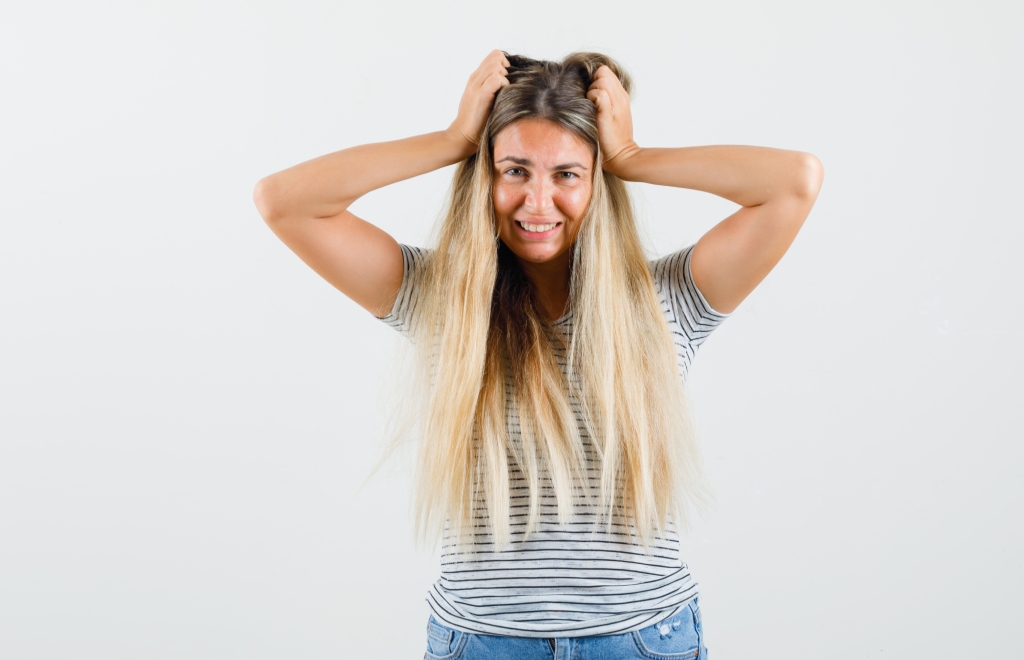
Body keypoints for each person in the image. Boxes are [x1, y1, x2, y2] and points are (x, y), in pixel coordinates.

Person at [253, 50, 822, 660]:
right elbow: (284, 201)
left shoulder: (664, 301)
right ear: (486, 176)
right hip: (481, 642)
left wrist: (631, 157)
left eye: (568, 175)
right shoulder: (441, 298)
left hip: (640, 640)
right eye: (515, 171)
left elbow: (794, 184)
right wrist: (453, 140)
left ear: (598, 183)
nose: (538, 202)